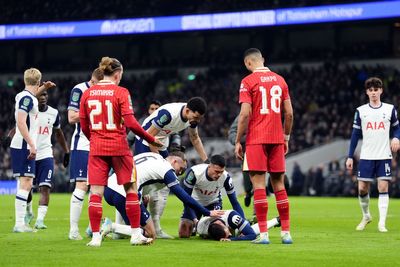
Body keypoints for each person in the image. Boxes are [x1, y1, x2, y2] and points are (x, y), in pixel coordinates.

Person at [79, 56, 163, 247]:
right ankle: (135, 235)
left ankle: (95, 237)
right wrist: (151, 138)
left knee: (95, 193)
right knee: (131, 190)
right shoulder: (121, 92)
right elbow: (132, 123)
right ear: (117, 74)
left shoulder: (88, 93)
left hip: (97, 148)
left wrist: (95, 138)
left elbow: (84, 125)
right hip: (119, 147)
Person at [234, 48, 293, 244]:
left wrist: (237, 141)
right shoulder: (280, 80)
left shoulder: (248, 81)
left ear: (247, 63)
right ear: (263, 59)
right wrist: (286, 137)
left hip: (256, 139)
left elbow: (244, 115)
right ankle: (286, 233)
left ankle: (264, 235)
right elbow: (289, 114)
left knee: (258, 185)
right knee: (279, 185)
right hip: (277, 138)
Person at [101, 151, 224, 240]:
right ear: (174, 161)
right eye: (180, 169)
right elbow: (183, 196)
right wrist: (207, 212)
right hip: (124, 194)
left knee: (134, 226)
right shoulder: (167, 170)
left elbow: (138, 171)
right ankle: (112, 226)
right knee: (150, 233)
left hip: (110, 187)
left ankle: (115, 231)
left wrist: (142, 193)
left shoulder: (153, 156)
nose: (180, 173)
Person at [134, 97, 209, 239]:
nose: (196, 121)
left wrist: (206, 160)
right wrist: (159, 162)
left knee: (164, 187)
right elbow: (149, 135)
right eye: (195, 117)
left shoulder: (191, 118)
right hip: (146, 140)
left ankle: (156, 227)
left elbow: (195, 138)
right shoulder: (168, 114)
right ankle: (129, 224)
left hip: (160, 142)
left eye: (199, 118)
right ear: (187, 110)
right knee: (141, 185)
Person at [346, 77, 400, 232]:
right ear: (367, 92)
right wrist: (350, 156)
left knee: (383, 186)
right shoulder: (361, 111)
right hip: (366, 155)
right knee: (362, 188)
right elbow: (355, 135)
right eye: (371, 90)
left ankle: (382, 223)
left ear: (381, 91)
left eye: (376, 90)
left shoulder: (390, 109)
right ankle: (366, 216)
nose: (373, 93)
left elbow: (397, 128)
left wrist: (396, 137)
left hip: (384, 155)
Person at [10, 68, 55, 232]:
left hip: (22, 144)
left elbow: (30, 100)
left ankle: (20, 223)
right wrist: (32, 144)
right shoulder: (28, 99)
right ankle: (19, 224)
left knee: (26, 184)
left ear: (24, 81)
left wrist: (44, 88)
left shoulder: (25, 96)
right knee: (26, 184)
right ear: (38, 81)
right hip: (24, 145)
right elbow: (21, 122)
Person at [67, 68, 104, 240]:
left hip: (100, 145)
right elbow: (71, 117)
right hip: (82, 144)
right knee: (82, 186)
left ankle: (92, 227)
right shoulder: (79, 90)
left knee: (97, 187)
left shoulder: (105, 92)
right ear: (94, 81)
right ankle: (73, 230)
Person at [29, 91, 69, 229]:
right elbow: (19, 125)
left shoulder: (53, 113)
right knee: (27, 188)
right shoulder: (29, 110)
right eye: (41, 94)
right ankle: (28, 211)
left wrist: (66, 151)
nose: (44, 97)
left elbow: (58, 133)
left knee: (45, 187)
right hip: (30, 154)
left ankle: (40, 220)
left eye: (46, 95)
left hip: (46, 155)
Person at [179, 154, 245, 238]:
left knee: (217, 230)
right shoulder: (195, 172)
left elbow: (234, 202)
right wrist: (195, 220)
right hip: (194, 204)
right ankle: (197, 228)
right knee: (183, 233)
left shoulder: (226, 177)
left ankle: (229, 228)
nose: (219, 175)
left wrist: (243, 225)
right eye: (216, 171)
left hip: (213, 203)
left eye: (221, 172)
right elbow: (186, 199)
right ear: (209, 166)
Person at [196, 210, 280, 241]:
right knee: (240, 233)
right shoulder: (201, 228)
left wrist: (232, 239)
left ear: (221, 224)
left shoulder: (232, 217)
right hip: (230, 226)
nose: (229, 235)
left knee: (248, 231)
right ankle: (247, 223)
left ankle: (276, 220)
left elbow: (252, 235)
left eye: (227, 232)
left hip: (234, 223)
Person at [228, 115, 252, 207]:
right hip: (248, 151)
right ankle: (248, 191)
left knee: (258, 182)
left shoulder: (267, 111)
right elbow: (232, 132)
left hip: (263, 150)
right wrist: (238, 141)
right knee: (250, 179)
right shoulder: (244, 114)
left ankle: (256, 214)